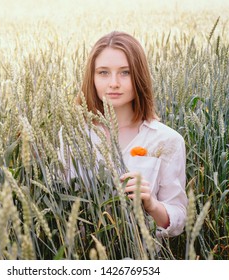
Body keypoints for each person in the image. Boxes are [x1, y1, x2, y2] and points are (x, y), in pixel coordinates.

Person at [75, 31, 188, 237]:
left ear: (139, 76)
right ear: (91, 77)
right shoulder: (73, 135)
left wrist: (151, 205)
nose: (114, 83)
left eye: (125, 72)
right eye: (103, 72)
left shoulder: (167, 140)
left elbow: (178, 218)